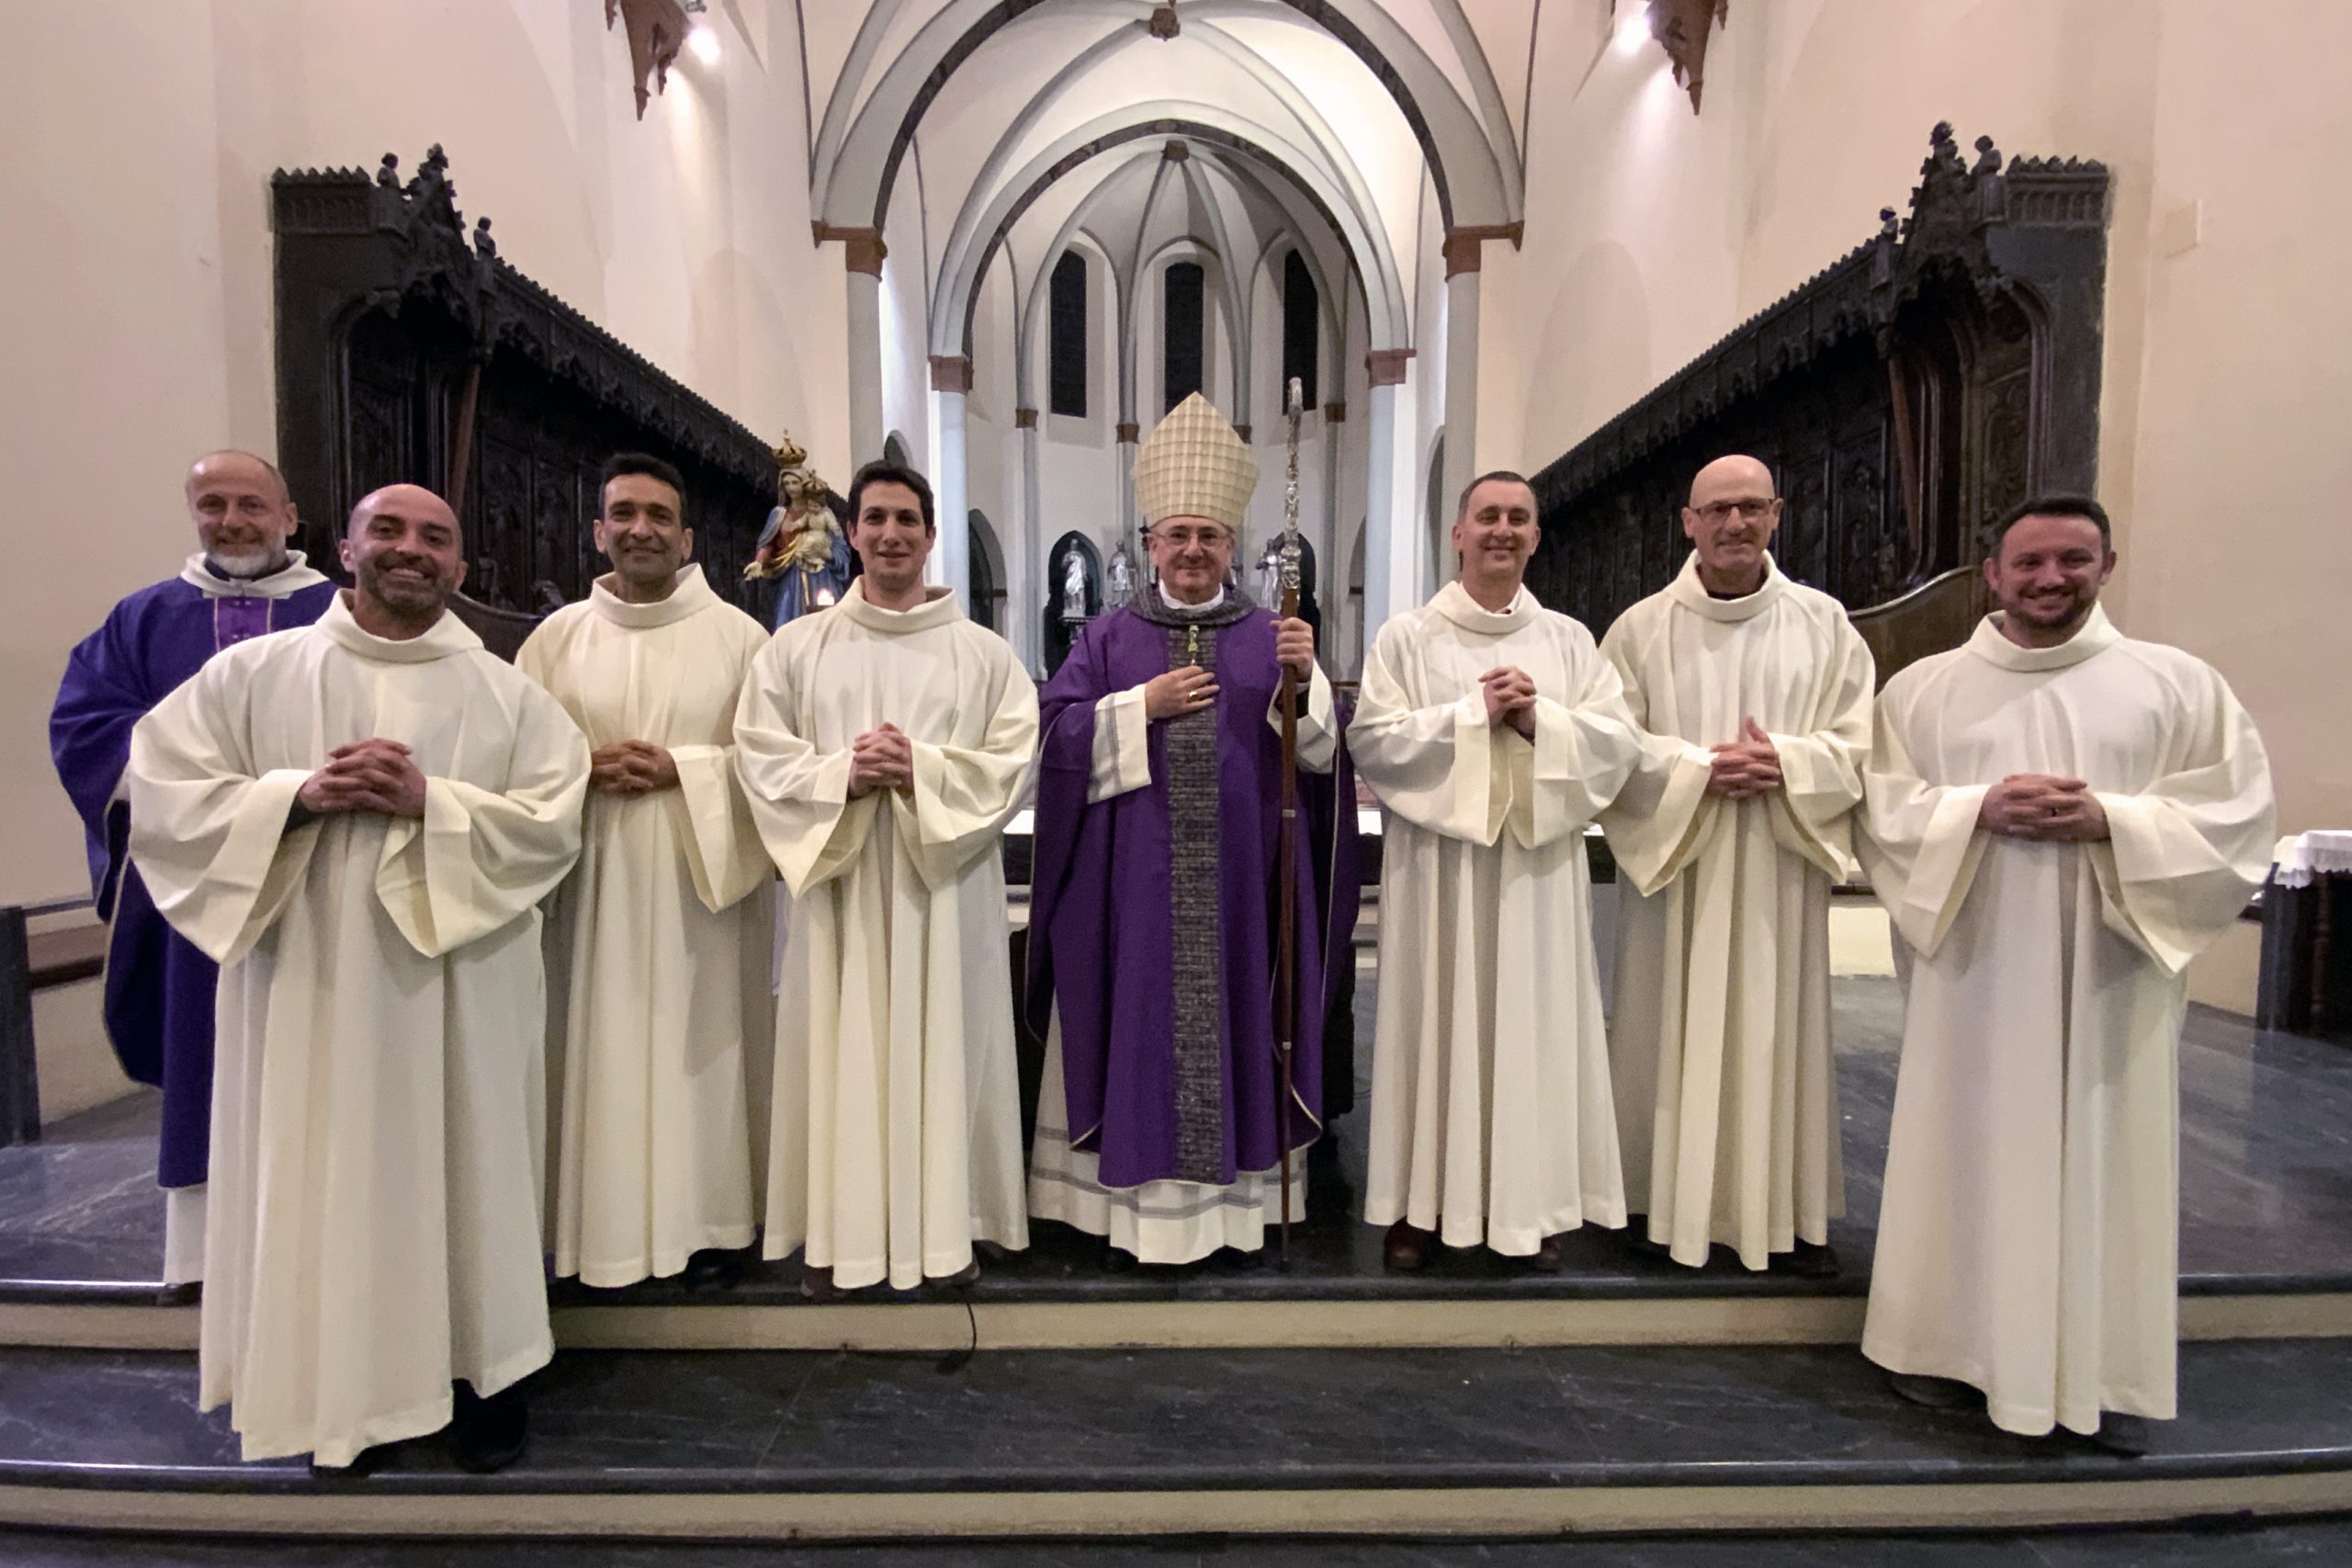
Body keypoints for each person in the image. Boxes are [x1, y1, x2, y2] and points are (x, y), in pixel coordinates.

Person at [125, 483, 588, 1472]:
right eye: (389, 529)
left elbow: (553, 825)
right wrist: (295, 795)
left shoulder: (511, 697)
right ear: (345, 547)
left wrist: (433, 803)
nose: (410, 549)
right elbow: (166, 792)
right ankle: (338, 1397)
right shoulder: (251, 675)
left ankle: (483, 1377)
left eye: (435, 537)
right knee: (323, 1175)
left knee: (471, 1170)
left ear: (460, 568)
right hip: (309, 984)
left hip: (463, 986)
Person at [1857, 495, 2274, 1453]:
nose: (2051, 579)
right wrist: (1974, 810)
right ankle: (1942, 1347)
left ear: (2106, 566)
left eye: (2072, 561)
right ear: (1992, 573)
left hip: (2109, 974)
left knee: (2102, 1152)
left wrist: (2113, 821)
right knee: (1962, 1146)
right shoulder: (1922, 691)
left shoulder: (2177, 686)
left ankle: (2095, 1365)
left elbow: (2235, 816)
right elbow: (1880, 811)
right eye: (2030, 562)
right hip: (1974, 972)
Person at [1026, 392, 1359, 1268]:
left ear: (1232, 547)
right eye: (1177, 535)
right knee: (1138, 1028)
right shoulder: (1106, 640)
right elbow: (1054, 740)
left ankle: (1234, 1217)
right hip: (1131, 897)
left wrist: (1303, 687)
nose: (1193, 550)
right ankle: (1127, 1219)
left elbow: (1320, 758)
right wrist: (1140, 704)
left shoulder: (1274, 635)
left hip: (1246, 891)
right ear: (1150, 545)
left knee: (1244, 1023)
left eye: (1209, 536)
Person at [734, 461, 1036, 1295]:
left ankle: (947, 1232)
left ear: (931, 535)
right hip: (839, 889)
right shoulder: (795, 648)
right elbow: (760, 756)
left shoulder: (985, 655)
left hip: (944, 889)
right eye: (875, 519)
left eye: (907, 520)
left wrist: (919, 769)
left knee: (950, 1047)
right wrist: (843, 772)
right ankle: (845, 1239)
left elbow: (1013, 762)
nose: (891, 534)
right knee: (841, 1051)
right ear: (851, 533)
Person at [49, 451, 338, 1291]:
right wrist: (209, 790)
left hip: (317, 868)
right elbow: (86, 728)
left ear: (289, 516)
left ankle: (321, 1236)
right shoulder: (142, 619)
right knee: (201, 1051)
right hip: (193, 879)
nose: (232, 521)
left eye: (251, 504)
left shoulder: (335, 610)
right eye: (213, 505)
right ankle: (207, 1256)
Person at [1351, 471, 1646, 1271]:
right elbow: (1373, 740)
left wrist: (1538, 718)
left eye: (1519, 518)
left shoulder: (1570, 642)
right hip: (1440, 875)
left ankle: (1530, 1208)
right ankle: (1419, 1207)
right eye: (1488, 516)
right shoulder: (1408, 638)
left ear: (1536, 536)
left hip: (1535, 873)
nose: (1503, 530)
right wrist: (1472, 716)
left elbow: (1618, 745)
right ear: (1458, 533)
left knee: (1532, 1031)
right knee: (1433, 1025)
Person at [1598, 455, 1874, 1274]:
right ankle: (1658, 1202)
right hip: (1678, 866)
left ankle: (1781, 1210)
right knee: (1664, 1023)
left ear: (1777, 513)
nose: (1734, 523)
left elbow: (1862, 742)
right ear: (1689, 522)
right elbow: (1610, 746)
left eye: (1751, 507)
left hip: (1777, 869)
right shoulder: (1640, 629)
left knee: (1773, 1031)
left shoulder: (1824, 624)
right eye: (1717, 509)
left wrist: (1788, 762)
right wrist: (1697, 769)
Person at [517, 454, 774, 1292]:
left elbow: (775, 768)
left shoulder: (742, 641)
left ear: (687, 538)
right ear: (598, 531)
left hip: (703, 890)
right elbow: (510, 762)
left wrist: (685, 769)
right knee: (594, 1049)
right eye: (624, 513)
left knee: (704, 1045)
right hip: (588, 886)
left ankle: (713, 1223)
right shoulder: (553, 642)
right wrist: (579, 770)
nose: (641, 529)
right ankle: (593, 1228)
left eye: (659, 516)